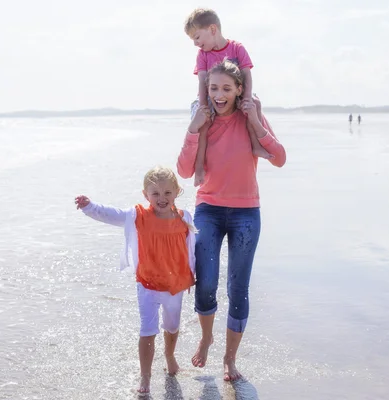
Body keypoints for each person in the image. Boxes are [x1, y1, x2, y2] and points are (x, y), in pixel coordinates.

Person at [176, 60, 286, 381]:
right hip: (208, 209)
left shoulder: (250, 118)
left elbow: (279, 158)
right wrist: (194, 128)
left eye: (226, 88)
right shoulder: (203, 120)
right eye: (213, 88)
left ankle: (229, 358)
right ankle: (207, 336)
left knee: (238, 289)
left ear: (240, 90)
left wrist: (256, 120)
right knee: (206, 282)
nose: (219, 95)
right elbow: (183, 171)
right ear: (206, 90)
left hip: (246, 214)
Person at [75, 166, 196, 394]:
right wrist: (89, 207)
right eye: (156, 193)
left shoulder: (185, 218)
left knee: (172, 325)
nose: (162, 198)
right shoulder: (138, 216)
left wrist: (197, 273)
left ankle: (169, 355)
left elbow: (194, 247)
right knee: (148, 329)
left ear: (177, 192)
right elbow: (112, 214)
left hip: (175, 285)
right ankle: (146, 377)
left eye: (168, 193)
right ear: (145, 194)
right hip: (148, 283)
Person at [184, 8, 272, 187]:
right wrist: (203, 107)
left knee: (254, 104)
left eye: (197, 37)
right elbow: (202, 82)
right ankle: (199, 166)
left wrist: (246, 98)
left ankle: (256, 145)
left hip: (236, 93)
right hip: (209, 97)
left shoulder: (237, 48)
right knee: (202, 123)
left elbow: (247, 74)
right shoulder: (202, 55)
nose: (195, 43)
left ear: (213, 29)